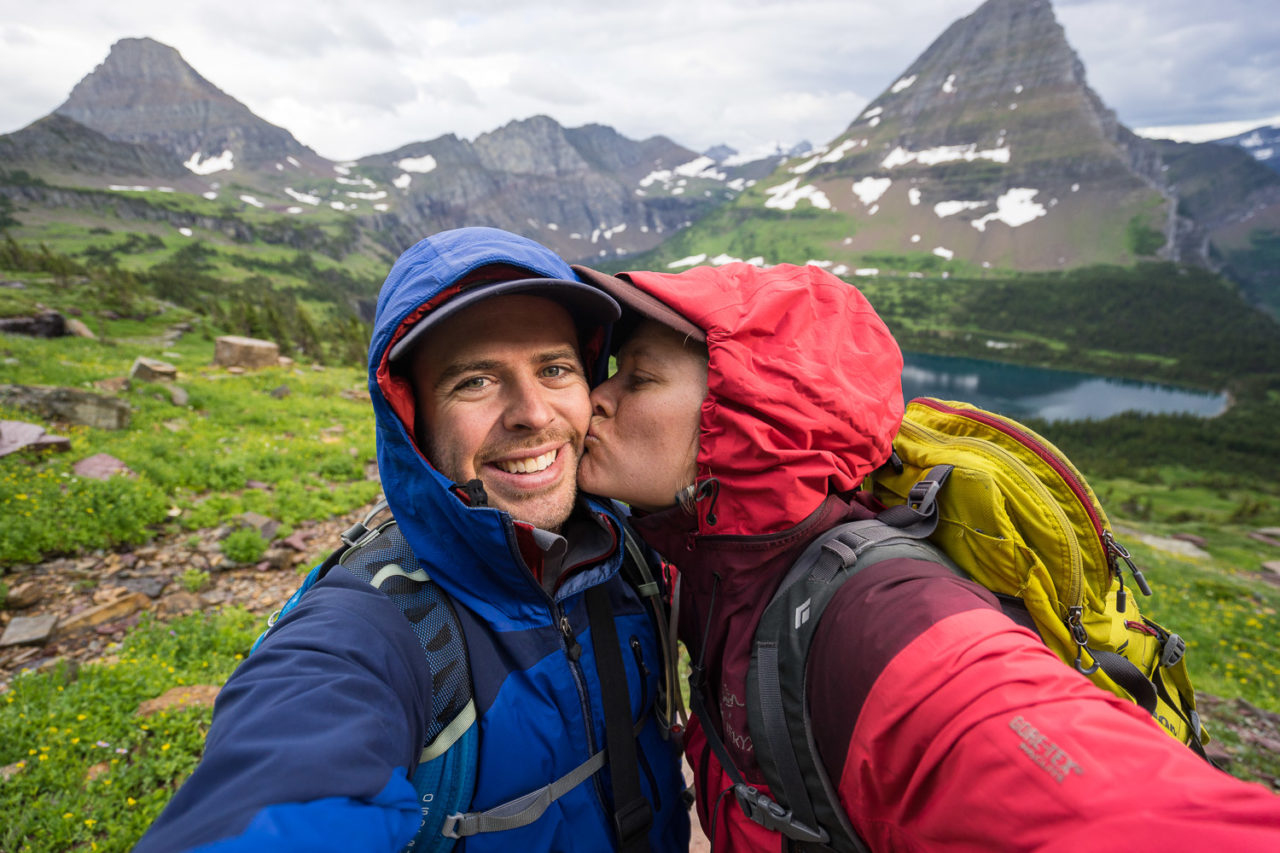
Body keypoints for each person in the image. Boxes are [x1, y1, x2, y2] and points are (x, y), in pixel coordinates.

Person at [574, 261, 1280, 851]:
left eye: (635, 379)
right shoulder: (715, 559)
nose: (590, 401)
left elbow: (1128, 811)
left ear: (748, 418)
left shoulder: (887, 622)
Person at [136, 227, 690, 853]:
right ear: (412, 419)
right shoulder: (370, 631)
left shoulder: (630, 549)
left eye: (555, 368)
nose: (534, 414)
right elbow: (285, 776)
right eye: (475, 381)